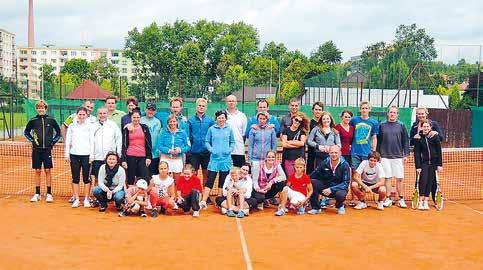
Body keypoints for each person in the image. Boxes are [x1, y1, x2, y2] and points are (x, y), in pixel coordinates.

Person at [24, 100, 61, 203]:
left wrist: (53, 142)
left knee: (48, 170)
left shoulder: (51, 120)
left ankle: (49, 194)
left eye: (42, 107)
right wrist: (32, 140)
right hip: (36, 150)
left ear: (45, 109)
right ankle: (37, 194)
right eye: (39, 107)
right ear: (37, 109)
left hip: (47, 150)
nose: (41, 109)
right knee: (37, 171)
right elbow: (26, 132)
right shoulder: (33, 120)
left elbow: (58, 132)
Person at [200, 110, 235, 209]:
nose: (221, 119)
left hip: (226, 159)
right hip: (214, 160)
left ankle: (219, 201)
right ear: (216, 119)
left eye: (223, 117)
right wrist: (211, 149)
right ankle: (203, 201)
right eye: (219, 117)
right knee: (210, 180)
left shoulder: (229, 129)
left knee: (222, 181)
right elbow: (207, 141)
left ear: (225, 118)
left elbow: (232, 142)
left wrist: (229, 150)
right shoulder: (211, 129)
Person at [377, 106, 410, 208]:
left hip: (398, 157)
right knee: (387, 178)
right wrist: (378, 154)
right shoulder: (382, 125)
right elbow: (378, 140)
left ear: (397, 114)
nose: (392, 114)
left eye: (394, 112)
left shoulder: (401, 125)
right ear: (388, 113)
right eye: (391, 112)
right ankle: (388, 198)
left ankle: (400, 198)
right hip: (384, 157)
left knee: (399, 178)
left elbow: (406, 141)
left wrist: (406, 155)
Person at [409, 107, 444, 203]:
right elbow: (411, 141)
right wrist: (414, 138)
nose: (420, 116)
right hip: (420, 158)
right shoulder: (414, 126)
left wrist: (435, 132)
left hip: (432, 159)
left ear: (426, 113)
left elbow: (441, 137)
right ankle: (420, 199)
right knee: (421, 179)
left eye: (422, 114)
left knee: (432, 180)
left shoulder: (434, 124)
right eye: (418, 114)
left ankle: (433, 199)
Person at [89, 107, 122, 207]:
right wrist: (91, 155)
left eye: (104, 113)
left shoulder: (113, 125)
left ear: (107, 114)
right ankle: (98, 200)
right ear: (97, 114)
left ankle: (114, 196)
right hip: (97, 158)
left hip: (111, 159)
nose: (102, 115)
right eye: (100, 113)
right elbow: (91, 142)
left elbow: (118, 139)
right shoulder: (93, 126)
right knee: (96, 179)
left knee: (111, 178)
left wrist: (118, 153)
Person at [64, 107, 94, 208]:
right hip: (74, 155)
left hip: (86, 155)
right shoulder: (72, 126)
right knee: (75, 178)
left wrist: (92, 155)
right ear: (77, 115)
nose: (81, 116)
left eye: (83, 115)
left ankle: (86, 199)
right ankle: (76, 199)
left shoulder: (90, 126)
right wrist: (67, 154)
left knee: (86, 178)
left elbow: (92, 141)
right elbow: (68, 141)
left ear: (86, 115)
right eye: (80, 115)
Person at [308, 145, 350, 215]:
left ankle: (340, 206)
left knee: (341, 195)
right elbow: (314, 174)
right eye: (332, 152)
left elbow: (346, 183)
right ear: (329, 153)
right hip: (325, 188)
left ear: (340, 153)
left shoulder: (345, 165)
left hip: (338, 190)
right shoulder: (324, 163)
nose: (334, 154)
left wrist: (331, 189)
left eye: (336, 153)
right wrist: (302, 180)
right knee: (312, 182)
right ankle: (316, 208)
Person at [121, 109, 152, 186]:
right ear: (131, 118)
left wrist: (149, 157)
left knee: (145, 178)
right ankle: (130, 196)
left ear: (140, 118)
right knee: (131, 178)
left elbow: (148, 143)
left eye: (138, 117)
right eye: (134, 117)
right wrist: (124, 160)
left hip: (142, 157)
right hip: (130, 156)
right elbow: (124, 145)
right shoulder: (126, 129)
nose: (136, 119)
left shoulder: (144, 128)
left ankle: (143, 196)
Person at [187, 97, 215, 184]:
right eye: (199, 105)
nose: (201, 107)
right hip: (194, 153)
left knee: (206, 174)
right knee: (193, 174)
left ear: (206, 107)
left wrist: (211, 148)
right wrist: (189, 150)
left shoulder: (210, 121)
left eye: (203, 106)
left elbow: (213, 136)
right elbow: (188, 136)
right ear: (196, 107)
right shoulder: (190, 121)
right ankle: (194, 195)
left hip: (206, 152)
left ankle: (204, 196)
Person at [157, 114, 190, 183]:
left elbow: (188, 146)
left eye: (174, 121)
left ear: (177, 122)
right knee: (165, 181)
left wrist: (180, 150)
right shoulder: (163, 132)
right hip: (165, 159)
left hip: (177, 159)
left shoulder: (183, 133)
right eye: (170, 121)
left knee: (177, 181)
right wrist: (168, 150)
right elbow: (159, 145)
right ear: (168, 123)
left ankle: (175, 193)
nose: (172, 123)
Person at [350, 101, 379, 170]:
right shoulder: (354, 120)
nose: (364, 110)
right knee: (355, 171)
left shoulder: (374, 122)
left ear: (369, 109)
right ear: (360, 109)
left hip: (367, 153)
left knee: (365, 172)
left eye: (366, 108)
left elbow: (374, 137)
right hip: (355, 152)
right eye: (362, 108)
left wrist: (373, 151)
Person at [281, 112, 309, 177]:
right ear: (293, 119)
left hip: (299, 160)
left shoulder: (302, 132)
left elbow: (302, 143)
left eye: (299, 121)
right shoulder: (286, 131)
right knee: (290, 177)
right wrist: (296, 143)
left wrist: (289, 142)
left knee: (299, 178)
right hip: (288, 158)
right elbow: (284, 144)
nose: (297, 122)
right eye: (296, 120)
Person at [225, 95, 247, 167]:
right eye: (229, 101)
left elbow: (244, 135)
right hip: (225, 151)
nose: (231, 103)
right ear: (226, 102)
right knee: (225, 174)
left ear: (236, 102)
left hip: (239, 151)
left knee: (239, 174)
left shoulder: (242, 116)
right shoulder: (222, 116)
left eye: (233, 101)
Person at [141, 102, 162, 176]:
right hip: (143, 154)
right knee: (143, 176)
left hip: (155, 154)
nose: (150, 111)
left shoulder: (158, 122)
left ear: (155, 111)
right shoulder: (140, 120)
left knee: (155, 176)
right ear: (145, 110)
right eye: (149, 109)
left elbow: (159, 136)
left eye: (152, 110)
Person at [307, 101, 324, 174]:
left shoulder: (325, 122)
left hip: (323, 152)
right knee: (311, 171)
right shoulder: (309, 123)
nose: (318, 111)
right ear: (313, 110)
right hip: (312, 152)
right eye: (316, 109)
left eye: (320, 110)